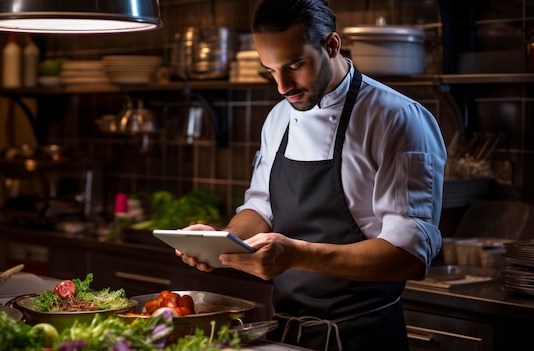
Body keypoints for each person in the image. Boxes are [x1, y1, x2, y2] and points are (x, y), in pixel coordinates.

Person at [178, 0, 447, 350]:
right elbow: (261, 208)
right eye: (270, 71)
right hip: (286, 334)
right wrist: (220, 242)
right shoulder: (278, 117)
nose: (282, 86)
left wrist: (297, 254)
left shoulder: (396, 119)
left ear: (332, 45)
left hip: (363, 338)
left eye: (295, 66)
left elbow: (409, 257)